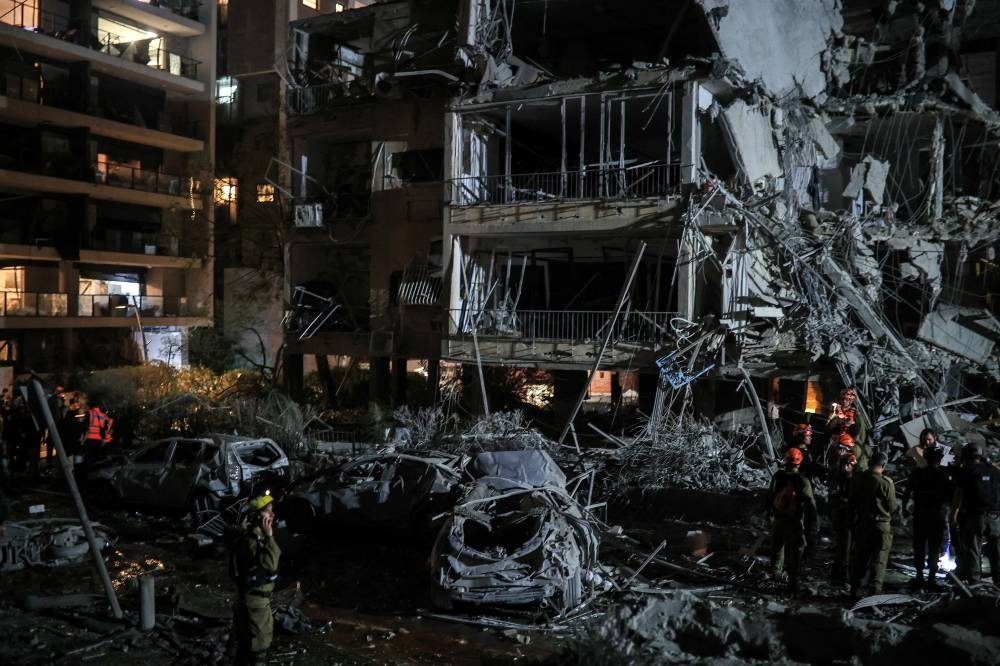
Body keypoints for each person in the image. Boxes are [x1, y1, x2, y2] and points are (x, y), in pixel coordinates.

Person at [230, 494, 281, 665]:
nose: (272, 515)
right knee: (258, 647)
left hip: (251, 599)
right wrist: (269, 536)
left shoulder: (250, 538)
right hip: (255, 603)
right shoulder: (252, 541)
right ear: (256, 516)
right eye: (268, 512)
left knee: (246, 647)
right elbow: (270, 564)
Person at [769, 447, 818, 592]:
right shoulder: (802, 481)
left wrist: (770, 512)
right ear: (800, 462)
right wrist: (813, 524)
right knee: (796, 550)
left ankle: (775, 572)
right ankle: (793, 581)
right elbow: (810, 503)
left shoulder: (777, 476)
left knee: (777, 546)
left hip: (779, 518)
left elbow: (770, 495)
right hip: (795, 521)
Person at [849, 451, 897, 597]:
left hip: (863, 524)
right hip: (881, 526)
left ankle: (854, 589)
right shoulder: (886, 483)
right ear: (883, 465)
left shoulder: (858, 479)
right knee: (879, 560)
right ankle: (873, 593)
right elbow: (892, 507)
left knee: (860, 557)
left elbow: (852, 501)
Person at [951, 444, 1000, 586]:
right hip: (995, 517)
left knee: (973, 548)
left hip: (976, 516)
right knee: (996, 550)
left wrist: (953, 515)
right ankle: (998, 581)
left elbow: (958, 495)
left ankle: (975, 582)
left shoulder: (966, 471)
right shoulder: (994, 471)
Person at [909, 446, 952, 590]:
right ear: (939, 460)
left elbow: (909, 491)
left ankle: (919, 576)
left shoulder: (917, 473)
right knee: (934, 547)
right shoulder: (943, 475)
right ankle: (932, 578)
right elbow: (950, 496)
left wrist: (905, 508)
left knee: (919, 546)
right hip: (936, 516)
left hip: (920, 514)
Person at [828, 452, 857, 586]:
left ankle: (841, 571)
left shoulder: (857, 480)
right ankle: (842, 574)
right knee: (844, 544)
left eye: (848, 464)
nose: (845, 467)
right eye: (843, 464)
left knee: (849, 546)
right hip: (841, 516)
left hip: (853, 517)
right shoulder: (838, 479)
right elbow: (833, 497)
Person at [82, 402, 114, 468]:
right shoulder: (102, 415)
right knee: (96, 459)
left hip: (90, 439)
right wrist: (103, 440)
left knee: (89, 459)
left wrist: (83, 440)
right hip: (99, 440)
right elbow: (104, 429)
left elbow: (85, 428)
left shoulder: (89, 413)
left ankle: (88, 474)